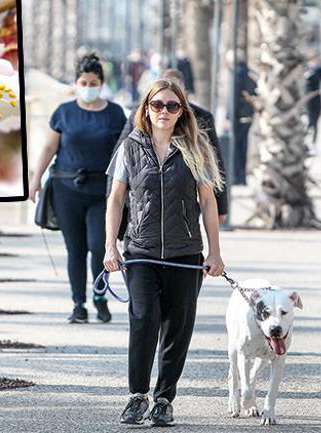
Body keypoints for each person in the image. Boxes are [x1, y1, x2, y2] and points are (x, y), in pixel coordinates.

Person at [104, 79, 225, 426]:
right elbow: (115, 198)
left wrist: (215, 253)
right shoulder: (130, 147)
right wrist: (110, 246)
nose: (164, 112)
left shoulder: (196, 148)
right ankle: (137, 396)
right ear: (146, 108)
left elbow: (207, 201)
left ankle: (163, 400)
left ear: (182, 111)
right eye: (157, 105)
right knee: (143, 320)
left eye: (173, 106)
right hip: (140, 251)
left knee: (177, 329)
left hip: (186, 254)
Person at [29, 53, 127, 324]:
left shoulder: (115, 113)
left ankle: (99, 297)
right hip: (65, 187)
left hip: (101, 191)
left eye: (93, 82)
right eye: (83, 81)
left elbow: (123, 152)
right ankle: (78, 304)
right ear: (76, 83)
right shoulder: (64, 112)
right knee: (75, 249)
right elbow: (50, 147)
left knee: (99, 246)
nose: (87, 87)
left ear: (101, 83)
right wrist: (35, 180)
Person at [112, 68, 229, 223]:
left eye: (176, 86)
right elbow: (120, 159)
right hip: (142, 212)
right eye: (157, 104)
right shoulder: (139, 116)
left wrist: (221, 205)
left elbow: (215, 162)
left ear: (184, 91)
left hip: (182, 207)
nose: (164, 110)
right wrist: (111, 200)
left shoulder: (203, 117)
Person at [230, 51, 257, 185]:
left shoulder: (238, 73)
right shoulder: (249, 73)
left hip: (238, 115)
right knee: (243, 146)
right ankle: (242, 177)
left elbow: (233, 97)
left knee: (236, 147)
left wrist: (229, 117)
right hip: (248, 114)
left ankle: (236, 176)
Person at [304, 54, 321, 152]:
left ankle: (313, 143)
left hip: (316, 97)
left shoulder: (319, 70)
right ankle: (306, 142)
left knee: (315, 121)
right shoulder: (305, 69)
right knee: (309, 121)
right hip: (307, 98)